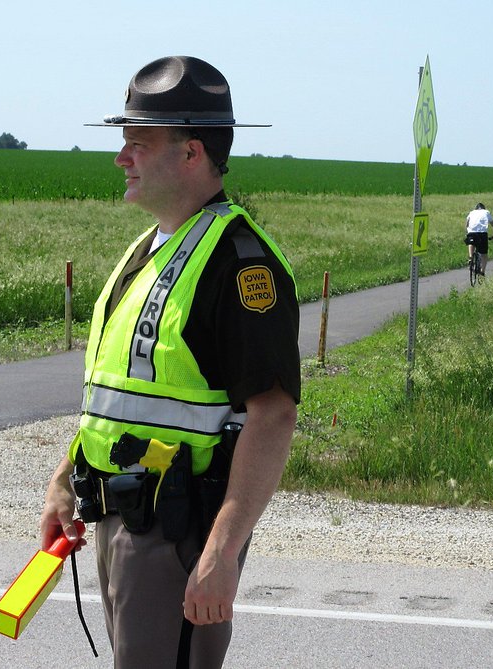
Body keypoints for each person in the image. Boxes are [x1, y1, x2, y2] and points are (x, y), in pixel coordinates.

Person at [40, 56, 301, 669]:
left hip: (178, 534)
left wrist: (221, 554)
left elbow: (273, 416)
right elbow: (114, 395)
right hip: (115, 519)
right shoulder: (149, 248)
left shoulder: (240, 265)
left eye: (139, 141)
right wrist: (63, 481)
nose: (121, 156)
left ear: (191, 153)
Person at [465, 202, 493, 275]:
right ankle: (482, 272)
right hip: (482, 233)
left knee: (471, 242)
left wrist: (467, 233)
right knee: (484, 254)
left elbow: (467, 224)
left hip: (471, 232)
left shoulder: (471, 212)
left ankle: (471, 257)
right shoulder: (486, 212)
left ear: (476, 208)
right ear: (484, 208)